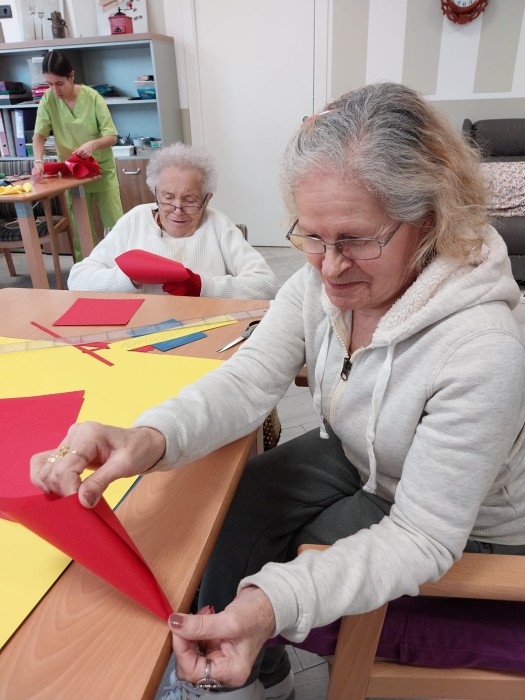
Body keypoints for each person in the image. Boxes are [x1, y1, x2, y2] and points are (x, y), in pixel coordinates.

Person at [30, 83, 525, 700]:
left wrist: (272, 601)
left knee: (291, 557)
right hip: (362, 453)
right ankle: (252, 675)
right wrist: (148, 437)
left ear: (429, 220)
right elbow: (247, 379)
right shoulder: (321, 282)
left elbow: (423, 535)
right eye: (311, 236)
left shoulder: (481, 346)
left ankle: (238, 665)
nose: (329, 266)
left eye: (356, 239)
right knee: (236, 505)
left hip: (462, 517)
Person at [67, 143, 278, 300]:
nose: (177, 209)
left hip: (205, 326)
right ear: (155, 192)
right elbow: (77, 280)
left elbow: (266, 285)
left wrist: (202, 287)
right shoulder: (136, 220)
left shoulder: (218, 225)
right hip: (140, 330)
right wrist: (128, 278)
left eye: (190, 200)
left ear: (207, 199)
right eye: (168, 197)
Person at [31, 50, 124, 261]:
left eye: (59, 83)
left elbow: (112, 137)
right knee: (81, 230)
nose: (55, 90)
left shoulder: (92, 97)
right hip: (71, 174)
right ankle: (86, 271)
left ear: (71, 76)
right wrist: (38, 161)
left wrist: (92, 144)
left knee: (115, 225)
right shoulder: (48, 99)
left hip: (101, 170)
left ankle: (121, 268)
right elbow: (39, 135)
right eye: (49, 84)